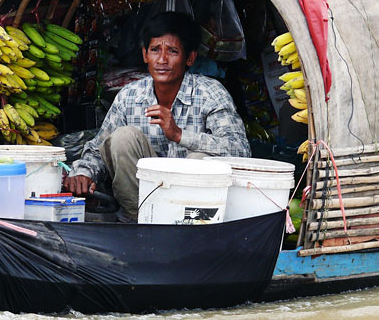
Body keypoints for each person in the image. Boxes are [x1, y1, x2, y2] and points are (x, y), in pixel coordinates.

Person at [63, 11, 251, 222]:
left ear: (190, 58)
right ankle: (139, 223)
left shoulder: (211, 93)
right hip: (140, 207)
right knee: (122, 137)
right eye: (155, 50)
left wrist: (180, 135)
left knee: (200, 161)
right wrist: (84, 173)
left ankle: (187, 227)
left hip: (193, 214)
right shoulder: (130, 95)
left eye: (172, 51)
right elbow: (99, 149)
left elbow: (240, 150)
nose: (162, 60)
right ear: (145, 55)